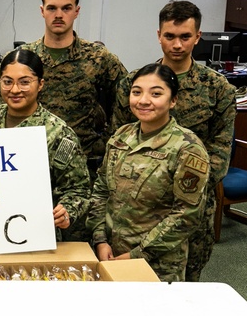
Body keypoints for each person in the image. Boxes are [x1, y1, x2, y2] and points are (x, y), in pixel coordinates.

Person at [87, 63, 210, 281]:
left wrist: (137, 254)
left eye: (156, 94)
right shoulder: (121, 136)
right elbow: (101, 191)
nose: (143, 100)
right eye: (137, 92)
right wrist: (100, 239)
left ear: (173, 101)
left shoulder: (187, 148)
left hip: (159, 264)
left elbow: (186, 216)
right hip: (110, 253)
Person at [151, 0, 235, 282]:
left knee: (188, 280)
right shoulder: (138, 84)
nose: (177, 44)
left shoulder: (218, 88)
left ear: (197, 37)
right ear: (159, 35)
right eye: (170, 36)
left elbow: (221, 152)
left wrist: (187, 188)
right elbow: (122, 140)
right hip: (144, 200)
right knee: (138, 279)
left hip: (193, 202)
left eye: (185, 37)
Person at [0, 49, 90, 240]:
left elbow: (78, 190)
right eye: (7, 81)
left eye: (25, 82)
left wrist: (67, 211)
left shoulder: (58, 133)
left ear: (40, 84)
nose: (15, 90)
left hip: (35, 233)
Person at [21, 0, 129, 176]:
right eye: (52, 8)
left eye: (66, 8)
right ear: (42, 11)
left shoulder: (98, 57)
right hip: (32, 161)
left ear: (76, 11)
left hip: (83, 163)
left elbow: (128, 95)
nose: (59, 15)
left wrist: (109, 140)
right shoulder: (25, 57)